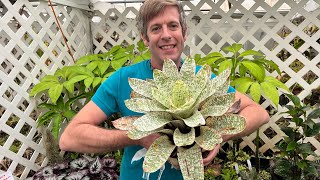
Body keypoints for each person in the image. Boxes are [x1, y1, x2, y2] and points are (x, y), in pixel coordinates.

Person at [59, 0, 270, 179]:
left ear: (184, 32)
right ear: (145, 37)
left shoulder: (200, 79)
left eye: (173, 26)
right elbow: (70, 138)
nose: (166, 35)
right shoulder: (124, 79)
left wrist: (217, 137)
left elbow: (259, 113)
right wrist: (136, 137)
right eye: (156, 28)